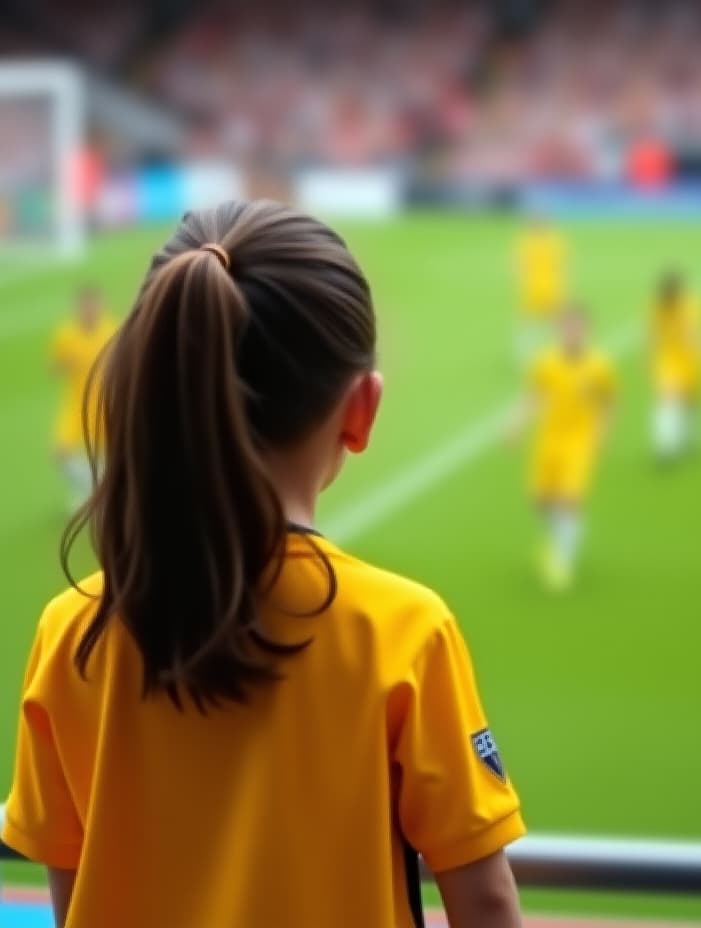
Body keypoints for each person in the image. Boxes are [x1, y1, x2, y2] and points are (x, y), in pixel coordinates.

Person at [2, 201, 524, 928]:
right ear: (360, 411)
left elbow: (73, 898)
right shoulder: (403, 632)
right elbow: (486, 902)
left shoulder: (71, 633)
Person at [514, 304, 616, 591]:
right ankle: (556, 541)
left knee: (570, 500)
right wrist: (517, 425)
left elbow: (609, 402)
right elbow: (533, 396)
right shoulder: (546, 362)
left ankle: (562, 561)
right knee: (543, 501)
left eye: (577, 328)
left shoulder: (599, 366)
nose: (572, 333)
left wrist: (602, 434)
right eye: (567, 328)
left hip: (579, 442)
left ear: (587, 330)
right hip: (549, 440)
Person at [50, 285, 117, 511]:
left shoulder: (111, 331)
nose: (89, 310)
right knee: (61, 452)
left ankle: (98, 495)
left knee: (105, 457)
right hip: (76, 404)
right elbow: (55, 365)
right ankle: (93, 491)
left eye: (93, 305)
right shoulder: (66, 334)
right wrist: (63, 365)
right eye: (85, 306)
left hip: (104, 403)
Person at [649, 268, 701, 460]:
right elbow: (654, 335)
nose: (669, 297)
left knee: (690, 402)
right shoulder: (655, 307)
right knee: (668, 401)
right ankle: (665, 446)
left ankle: (687, 439)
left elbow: (693, 333)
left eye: (673, 293)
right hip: (667, 360)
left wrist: (700, 347)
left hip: (689, 360)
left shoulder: (692, 306)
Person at [514, 213, 567, 361]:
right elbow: (520, 267)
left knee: (553, 324)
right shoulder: (526, 243)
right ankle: (526, 354)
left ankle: (553, 353)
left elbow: (561, 266)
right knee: (530, 325)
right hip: (535, 290)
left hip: (551, 289)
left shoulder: (554, 241)